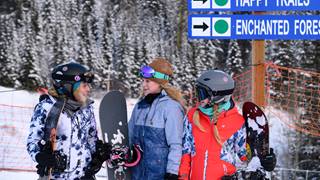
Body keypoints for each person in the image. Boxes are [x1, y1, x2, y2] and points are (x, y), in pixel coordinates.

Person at [179, 70, 276, 180]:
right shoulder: (193, 116)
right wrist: (182, 177)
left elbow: (245, 158)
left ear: (217, 96)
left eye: (202, 94)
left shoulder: (237, 123)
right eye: (198, 92)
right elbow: (185, 152)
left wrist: (264, 161)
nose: (198, 98)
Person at [27, 62, 111, 180]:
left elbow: (91, 139)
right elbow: (33, 141)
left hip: (84, 176)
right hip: (58, 176)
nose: (88, 89)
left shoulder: (86, 108)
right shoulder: (47, 107)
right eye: (84, 85)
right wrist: (41, 157)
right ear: (68, 86)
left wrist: (98, 154)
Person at [128, 58, 185, 180]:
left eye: (148, 81)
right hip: (137, 174)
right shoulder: (140, 106)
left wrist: (172, 172)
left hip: (159, 174)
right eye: (143, 81)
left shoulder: (171, 107)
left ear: (160, 82)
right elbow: (129, 135)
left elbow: (176, 144)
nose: (144, 85)